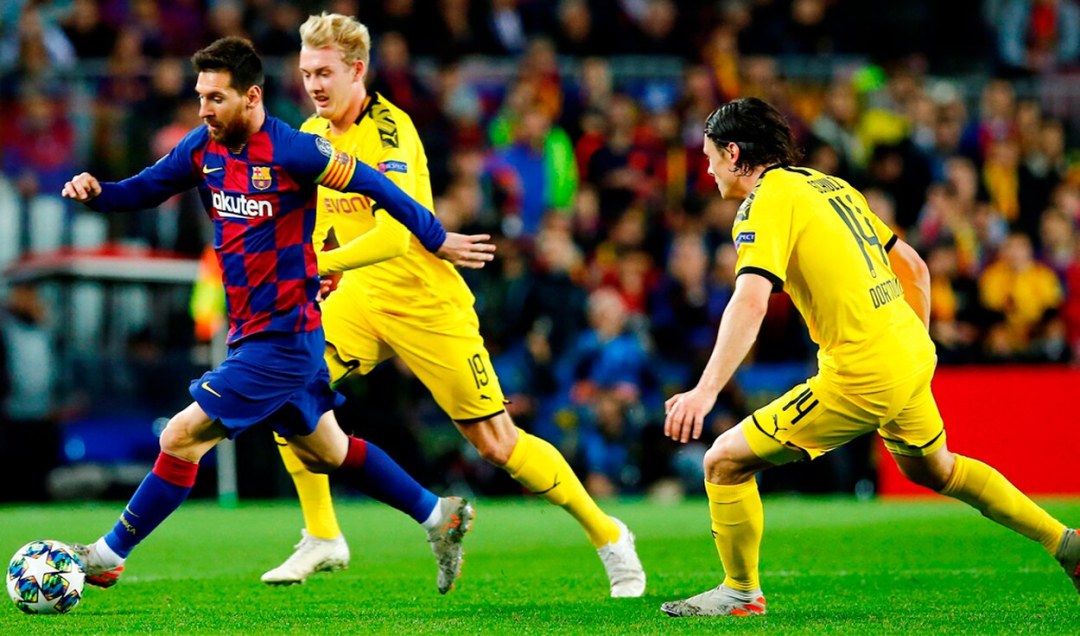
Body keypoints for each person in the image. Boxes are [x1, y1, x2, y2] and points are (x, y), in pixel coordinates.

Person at [60, 36, 497, 593]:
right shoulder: (202, 148)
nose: (204, 109)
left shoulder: (296, 151)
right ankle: (439, 515)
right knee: (329, 450)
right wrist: (97, 191)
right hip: (254, 334)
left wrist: (433, 237)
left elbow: (378, 185)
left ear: (252, 96)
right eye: (200, 97)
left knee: (180, 437)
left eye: (216, 98)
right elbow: (143, 189)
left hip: (284, 339)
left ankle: (106, 555)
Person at [260, 13, 645, 597]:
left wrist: (320, 265)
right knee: (285, 390)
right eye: (306, 72)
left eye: (325, 73)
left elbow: (396, 236)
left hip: (425, 300)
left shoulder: (390, 131)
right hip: (361, 297)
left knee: (497, 444)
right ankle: (322, 534)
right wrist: (314, 271)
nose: (313, 84)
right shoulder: (311, 133)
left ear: (357, 71)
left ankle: (609, 533)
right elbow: (317, 219)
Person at [660, 97, 1080, 617]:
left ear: (733, 153)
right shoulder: (829, 185)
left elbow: (750, 300)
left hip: (862, 371)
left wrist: (704, 392)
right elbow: (914, 267)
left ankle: (740, 593)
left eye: (709, 157)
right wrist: (909, 349)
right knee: (937, 470)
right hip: (908, 349)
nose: (707, 170)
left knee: (723, 462)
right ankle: (1066, 543)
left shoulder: (766, 201)